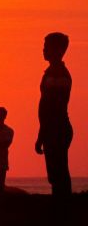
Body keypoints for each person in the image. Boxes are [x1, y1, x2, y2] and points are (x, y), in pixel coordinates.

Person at [35, 32, 73, 196]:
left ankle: (63, 209)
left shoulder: (58, 74)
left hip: (57, 128)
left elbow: (53, 108)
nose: (43, 50)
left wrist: (42, 133)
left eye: (46, 47)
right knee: (55, 172)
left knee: (59, 173)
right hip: (52, 129)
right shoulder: (51, 73)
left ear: (57, 49)